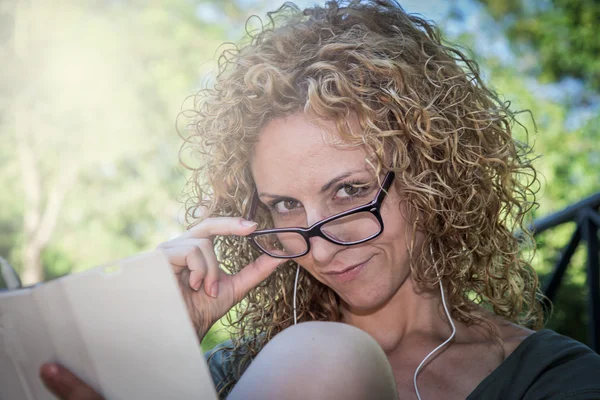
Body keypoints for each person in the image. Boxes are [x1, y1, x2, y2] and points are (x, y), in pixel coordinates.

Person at [39, 0, 600, 399]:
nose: (321, 246)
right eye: (285, 205)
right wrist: (156, 353)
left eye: (350, 191)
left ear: (432, 173)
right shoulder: (232, 374)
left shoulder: (553, 380)